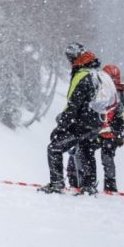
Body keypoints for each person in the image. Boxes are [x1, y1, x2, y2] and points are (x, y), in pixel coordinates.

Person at [41, 43, 115, 195]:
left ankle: (57, 184)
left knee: (54, 148)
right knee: (86, 150)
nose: (70, 63)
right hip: (97, 122)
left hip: (82, 122)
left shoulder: (81, 76)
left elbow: (72, 106)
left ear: (75, 58)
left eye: (70, 59)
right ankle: (89, 186)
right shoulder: (97, 73)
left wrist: (60, 127)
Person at [67, 63, 124, 194]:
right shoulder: (108, 92)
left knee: (98, 156)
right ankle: (92, 184)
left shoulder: (115, 94)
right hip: (101, 132)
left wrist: (119, 133)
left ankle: (97, 185)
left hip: (104, 133)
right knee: (90, 154)